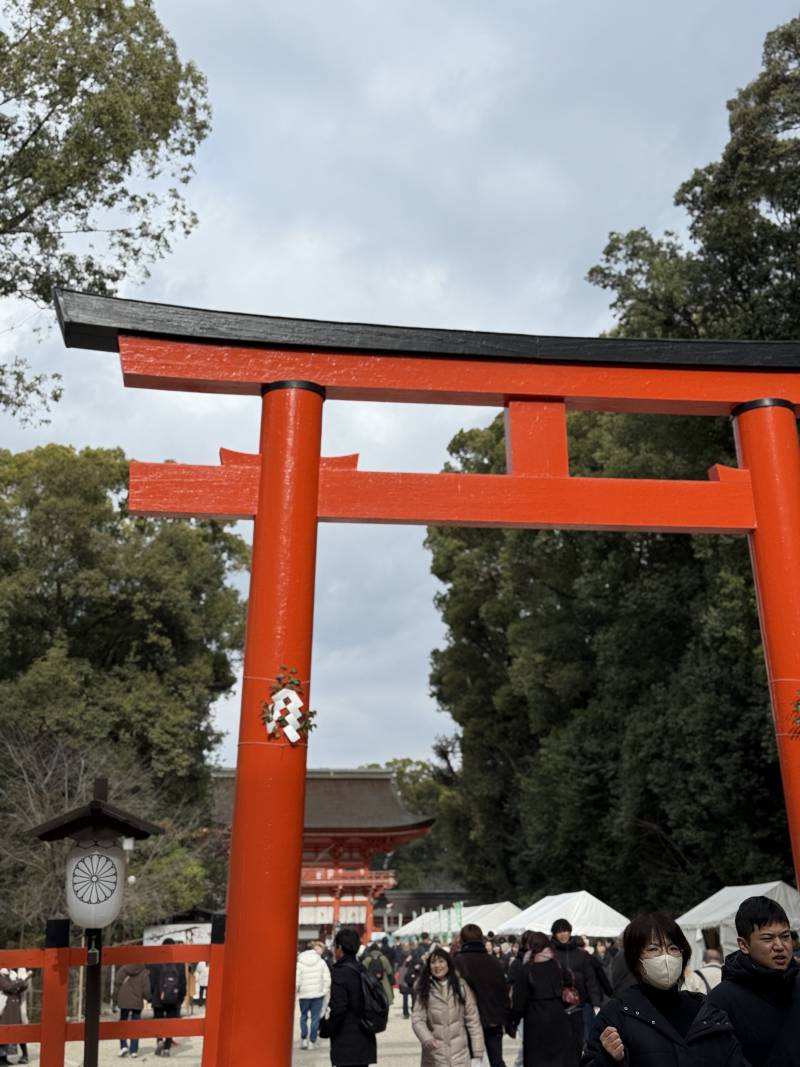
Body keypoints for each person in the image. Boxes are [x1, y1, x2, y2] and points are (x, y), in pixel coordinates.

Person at [584, 912, 748, 1066]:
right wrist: (608, 1060)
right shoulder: (617, 1015)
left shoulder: (706, 1011)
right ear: (635, 959)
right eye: (653, 949)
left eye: (673, 948)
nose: (666, 957)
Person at [709, 895, 800, 1065]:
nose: (780, 946)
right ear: (744, 945)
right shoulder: (722, 1000)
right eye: (768, 938)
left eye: (785, 936)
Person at [411, 947, 484, 1067]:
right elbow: (417, 1018)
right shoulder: (424, 989)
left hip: (460, 1053)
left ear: (448, 964)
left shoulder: (461, 987)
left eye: (441, 961)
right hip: (435, 1054)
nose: (437, 966)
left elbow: (473, 1021)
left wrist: (477, 1051)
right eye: (433, 962)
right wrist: (426, 1038)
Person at [510, 931, 572, 1067]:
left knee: (536, 1059)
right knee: (558, 1058)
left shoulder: (526, 968)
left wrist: (513, 1022)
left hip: (535, 1020)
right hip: (557, 1015)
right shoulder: (557, 964)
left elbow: (518, 1002)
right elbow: (569, 981)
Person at [454, 923, 509, 1067]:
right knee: (496, 1059)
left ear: (462, 940)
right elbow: (503, 991)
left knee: (470, 1061)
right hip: (493, 1017)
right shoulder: (494, 962)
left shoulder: (458, 961)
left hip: (467, 1019)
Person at [322, 927, 377, 1067]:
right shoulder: (362, 969)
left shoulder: (340, 972)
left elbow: (338, 1008)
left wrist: (326, 1028)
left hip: (346, 1039)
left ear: (339, 947)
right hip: (365, 1035)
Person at [550, 919, 602, 1050]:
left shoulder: (581, 954)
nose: (563, 934)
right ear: (554, 934)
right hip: (558, 1004)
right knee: (561, 1041)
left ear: (570, 932)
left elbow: (590, 979)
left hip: (581, 1003)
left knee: (583, 1039)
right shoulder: (550, 953)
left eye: (565, 930)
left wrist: (596, 1003)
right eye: (559, 931)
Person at [148, 938, 186, 1058]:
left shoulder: (156, 961)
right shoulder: (179, 962)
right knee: (170, 1024)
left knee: (158, 1022)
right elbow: (182, 982)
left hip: (158, 997)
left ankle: (159, 1040)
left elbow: (152, 980)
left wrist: (152, 996)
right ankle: (167, 1048)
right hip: (173, 998)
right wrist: (180, 998)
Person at [296, 939, 332, 1050]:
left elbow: (297, 980)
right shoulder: (321, 962)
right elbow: (327, 979)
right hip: (317, 994)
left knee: (303, 1017)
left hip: (304, 995)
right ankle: (312, 1041)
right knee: (315, 1018)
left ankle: (303, 1039)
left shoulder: (300, 962)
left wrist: (297, 990)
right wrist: (324, 991)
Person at [115, 961, 151, 1058]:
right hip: (137, 1001)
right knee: (136, 1025)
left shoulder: (124, 968)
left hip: (124, 999)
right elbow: (146, 988)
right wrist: (149, 998)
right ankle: (134, 1050)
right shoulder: (144, 971)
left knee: (123, 1023)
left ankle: (123, 1046)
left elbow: (117, 980)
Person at [0, 968, 29, 1065]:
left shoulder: (12, 975)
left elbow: (19, 987)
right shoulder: (1, 977)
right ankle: (2, 1058)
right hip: (5, 1007)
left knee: (16, 1028)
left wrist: (24, 979)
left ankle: (22, 1055)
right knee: (4, 1030)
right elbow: (8, 987)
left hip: (14, 1005)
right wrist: (20, 981)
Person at [362, 941, 395, 1009]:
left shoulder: (368, 959)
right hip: (383, 982)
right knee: (385, 999)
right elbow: (389, 971)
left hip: (371, 982)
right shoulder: (384, 958)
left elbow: (362, 969)